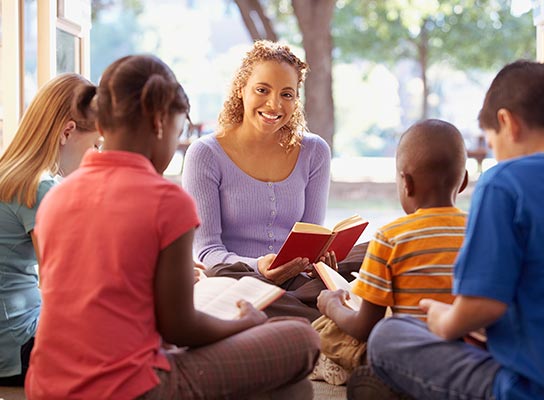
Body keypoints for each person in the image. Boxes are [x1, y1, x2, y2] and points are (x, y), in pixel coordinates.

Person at [25, 55, 319, 399]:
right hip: (131, 387)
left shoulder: (56, 198)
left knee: (290, 388)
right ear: (161, 124)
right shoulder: (166, 199)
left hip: (46, 386)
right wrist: (244, 324)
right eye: (179, 131)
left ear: (101, 125)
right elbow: (181, 327)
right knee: (301, 338)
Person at [367, 60, 544, 400]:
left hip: (531, 389)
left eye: (493, 143)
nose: (496, 155)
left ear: (507, 123)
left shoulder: (504, 183)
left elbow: (483, 306)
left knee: (389, 334)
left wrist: (445, 320)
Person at [182, 40, 332, 321]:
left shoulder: (315, 152)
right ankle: (318, 315)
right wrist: (259, 266)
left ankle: (304, 312)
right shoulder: (205, 154)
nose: (275, 104)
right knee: (226, 284)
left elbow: (312, 237)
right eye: (262, 90)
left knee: (369, 255)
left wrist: (320, 260)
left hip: (296, 281)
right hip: (237, 279)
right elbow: (207, 251)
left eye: (287, 94)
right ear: (241, 90)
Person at [311, 119, 469, 387]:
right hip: (467, 354)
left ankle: (343, 367)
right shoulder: (481, 231)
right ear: (463, 181)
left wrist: (332, 306)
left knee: (324, 329)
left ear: (406, 183)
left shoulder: (391, 236)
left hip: (409, 355)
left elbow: (365, 327)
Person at [0, 73, 100, 386]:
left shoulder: (12, 173)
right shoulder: (39, 186)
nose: (96, 155)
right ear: (67, 132)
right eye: (95, 144)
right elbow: (70, 284)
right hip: (19, 345)